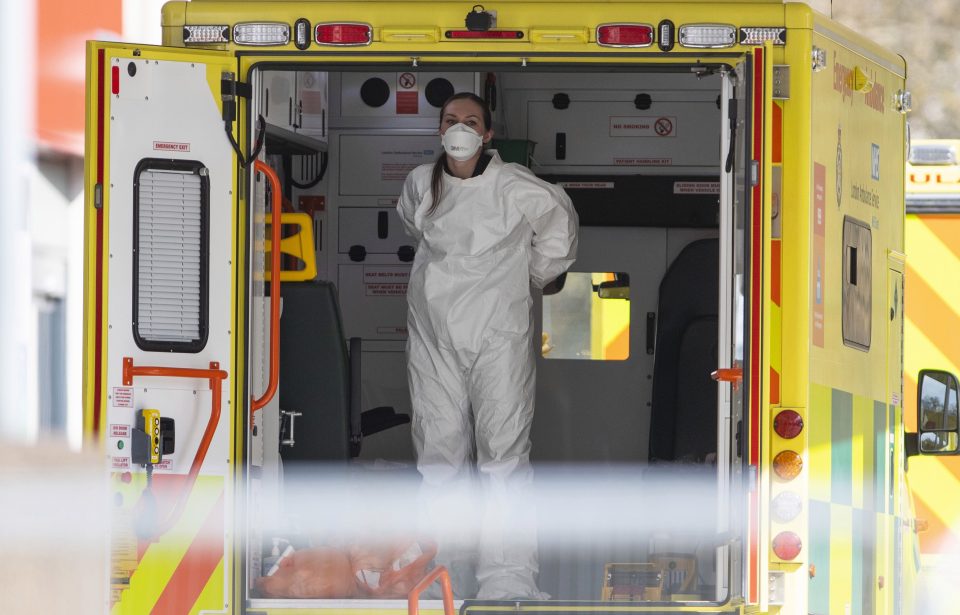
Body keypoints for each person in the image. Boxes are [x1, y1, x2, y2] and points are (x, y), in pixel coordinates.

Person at [396, 92, 578, 600]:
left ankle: (507, 578)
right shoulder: (420, 184)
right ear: (439, 130)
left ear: (487, 134)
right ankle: (444, 573)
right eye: (451, 120)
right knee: (439, 456)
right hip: (435, 336)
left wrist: (530, 275)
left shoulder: (517, 186)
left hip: (498, 335)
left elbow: (559, 231)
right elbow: (418, 228)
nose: (460, 129)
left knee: (503, 457)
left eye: (470, 121)